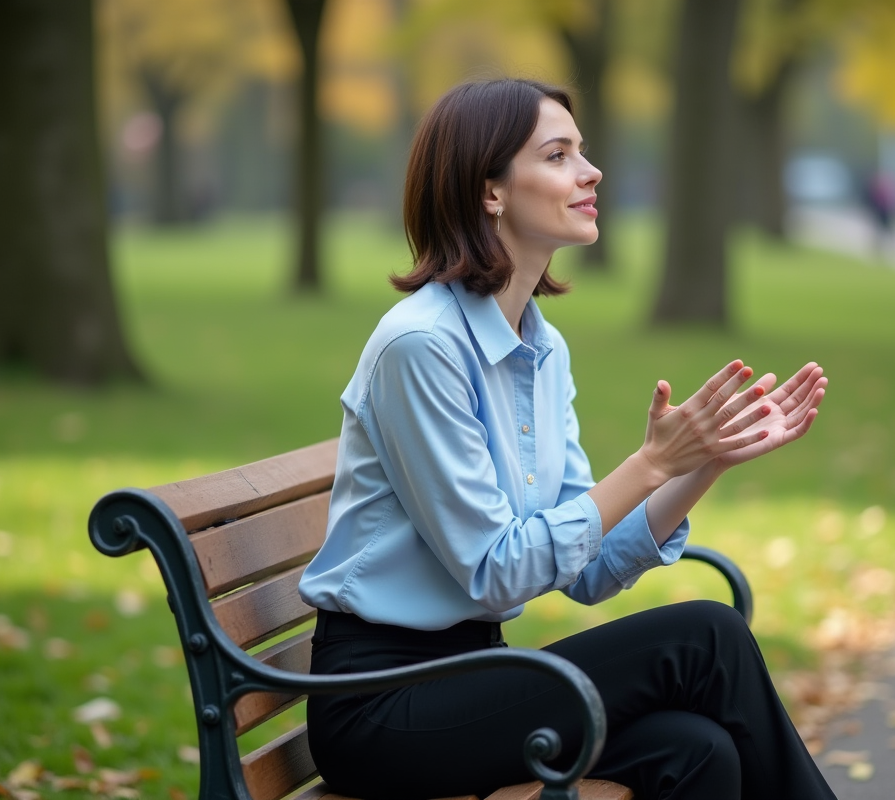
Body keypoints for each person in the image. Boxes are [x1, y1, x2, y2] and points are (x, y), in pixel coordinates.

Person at [298, 78, 834, 800]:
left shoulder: (540, 348)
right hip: (385, 705)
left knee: (699, 752)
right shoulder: (421, 347)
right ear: (490, 192)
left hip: (471, 680)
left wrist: (701, 461)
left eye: (582, 151)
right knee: (709, 636)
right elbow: (496, 571)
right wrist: (648, 465)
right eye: (558, 155)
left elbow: (588, 570)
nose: (592, 171)